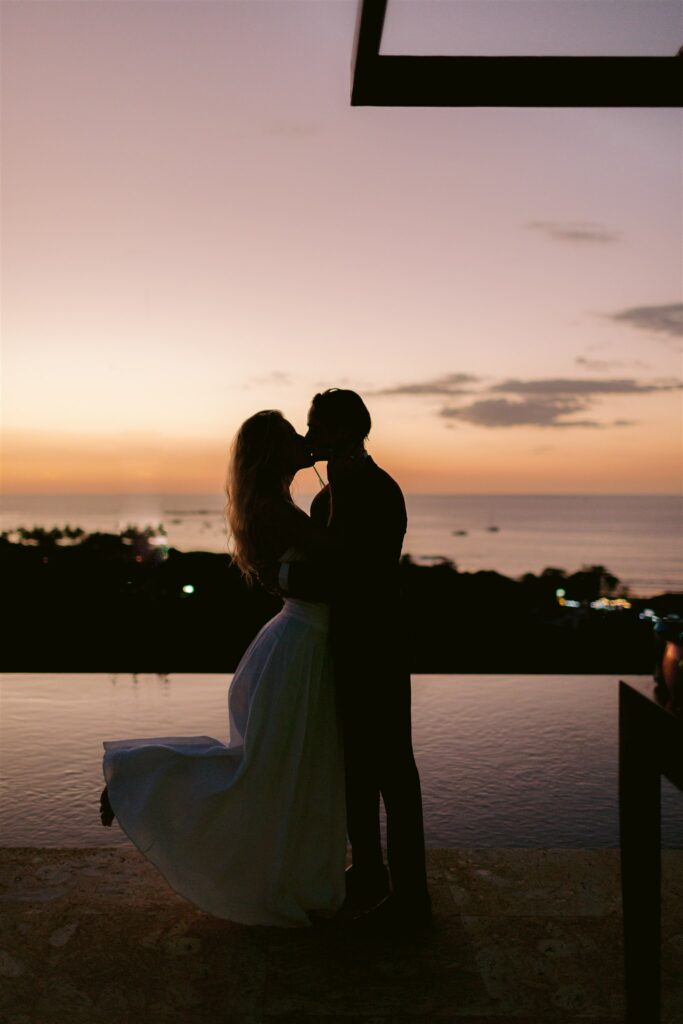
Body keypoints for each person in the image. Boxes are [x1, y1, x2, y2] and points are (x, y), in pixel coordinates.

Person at [99, 410, 347, 927]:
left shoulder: (275, 503)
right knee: (264, 766)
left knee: (281, 765)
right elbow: (343, 559)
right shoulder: (272, 508)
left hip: (296, 640)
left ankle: (294, 874)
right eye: (290, 436)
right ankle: (140, 777)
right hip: (298, 645)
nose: (302, 439)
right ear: (272, 452)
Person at [272, 389, 431, 932]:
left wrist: (287, 578)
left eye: (314, 425)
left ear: (340, 431)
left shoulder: (370, 487)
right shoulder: (336, 488)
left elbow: (358, 573)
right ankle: (369, 873)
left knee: (392, 770)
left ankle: (412, 898)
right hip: (345, 642)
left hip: (377, 643)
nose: (307, 434)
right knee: (357, 767)